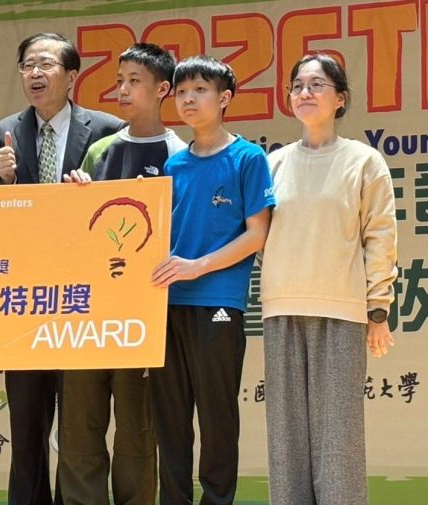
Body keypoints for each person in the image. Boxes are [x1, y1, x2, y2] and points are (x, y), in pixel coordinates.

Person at [0, 32, 124, 505]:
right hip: (23, 298)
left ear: (71, 75)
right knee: (26, 423)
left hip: (83, 296)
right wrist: (2, 181)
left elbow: (118, 211)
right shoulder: (1, 134)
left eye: (45, 64)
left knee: (79, 426)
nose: (35, 73)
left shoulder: (106, 130)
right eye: (28, 65)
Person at [260, 52, 397, 505]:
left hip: (341, 312)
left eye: (317, 85)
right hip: (281, 310)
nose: (305, 93)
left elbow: (380, 236)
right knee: (286, 443)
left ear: (340, 99)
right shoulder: (273, 164)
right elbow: (257, 237)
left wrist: (378, 310)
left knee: (338, 442)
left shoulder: (364, 161)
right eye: (298, 86)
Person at [58, 42, 185, 505]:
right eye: (119, 81)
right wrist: (77, 195)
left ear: (163, 89)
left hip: (143, 316)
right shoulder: (101, 150)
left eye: (135, 81)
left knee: (137, 430)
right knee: (79, 426)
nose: (123, 90)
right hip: (89, 311)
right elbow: (73, 231)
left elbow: (184, 234)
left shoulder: (180, 154)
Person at [150, 55, 275, 505]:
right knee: (170, 417)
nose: (188, 99)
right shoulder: (173, 165)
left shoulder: (248, 157)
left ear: (224, 98)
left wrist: (197, 266)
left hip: (219, 301)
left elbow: (257, 235)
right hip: (166, 304)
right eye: (181, 91)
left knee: (216, 413)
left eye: (200, 90)